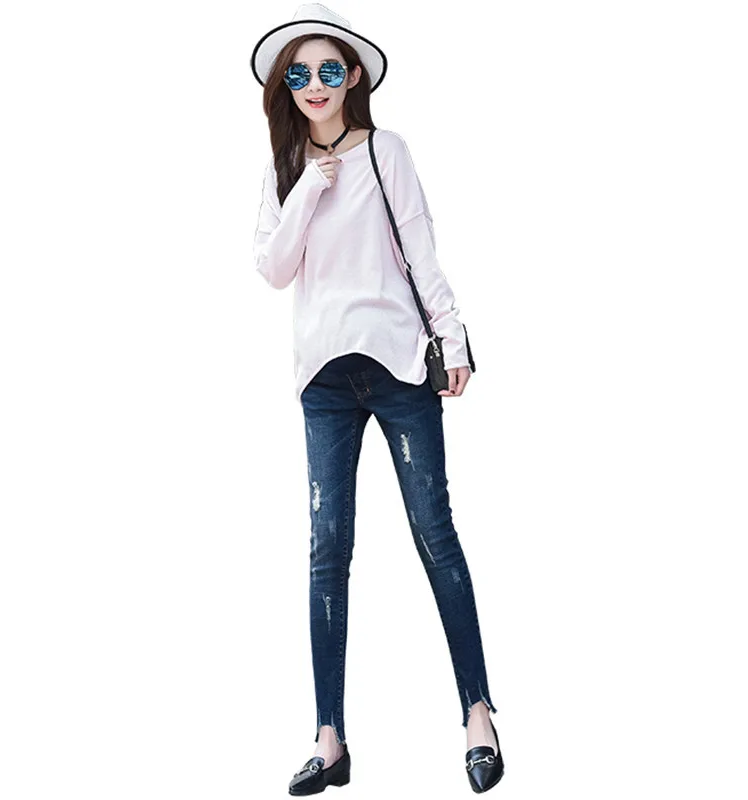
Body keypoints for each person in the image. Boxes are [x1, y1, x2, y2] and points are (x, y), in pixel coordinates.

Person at [250, 4, 504, 794]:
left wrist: (453, 341)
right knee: (328, 549)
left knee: (435, 534)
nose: (315, 84)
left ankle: (478, 713)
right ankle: (329, 738)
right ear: (286, 85)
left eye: (329, 69)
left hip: (396, 366)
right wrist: (307, 189)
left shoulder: (386, 150)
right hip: (323, 381)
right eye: (300, 73)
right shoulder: (286, 168)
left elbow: (420, 248)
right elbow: (273, 269)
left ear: (353, 75)